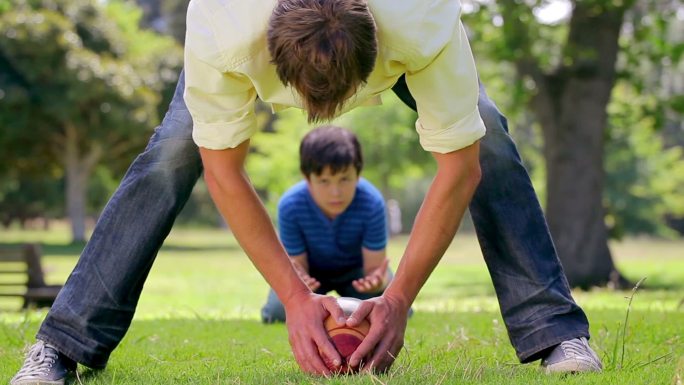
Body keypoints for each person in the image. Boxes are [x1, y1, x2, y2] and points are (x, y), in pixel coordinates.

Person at [10, 0, 602, 383]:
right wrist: (294, 299)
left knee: (489, 138)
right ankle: (61, 345)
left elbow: (461, 166)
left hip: (397, 36)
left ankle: (558, 333)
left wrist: (396, 299)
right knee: (171, 154)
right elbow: (224, 170)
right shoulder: (225, 25)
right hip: (245, 38)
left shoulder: (421, 19)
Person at [260, 125, 395, 323]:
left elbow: (373, 269)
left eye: (344, 179)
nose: (335, 192)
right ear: (308, 178)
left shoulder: (372, 202)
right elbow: (298, 266)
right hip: (311, 273)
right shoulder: (290, 206)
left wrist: (377, 283)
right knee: (277, 313)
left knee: (392, 307)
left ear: (358, 174)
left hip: (356, 273)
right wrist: (301, 283)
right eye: (324, 181)